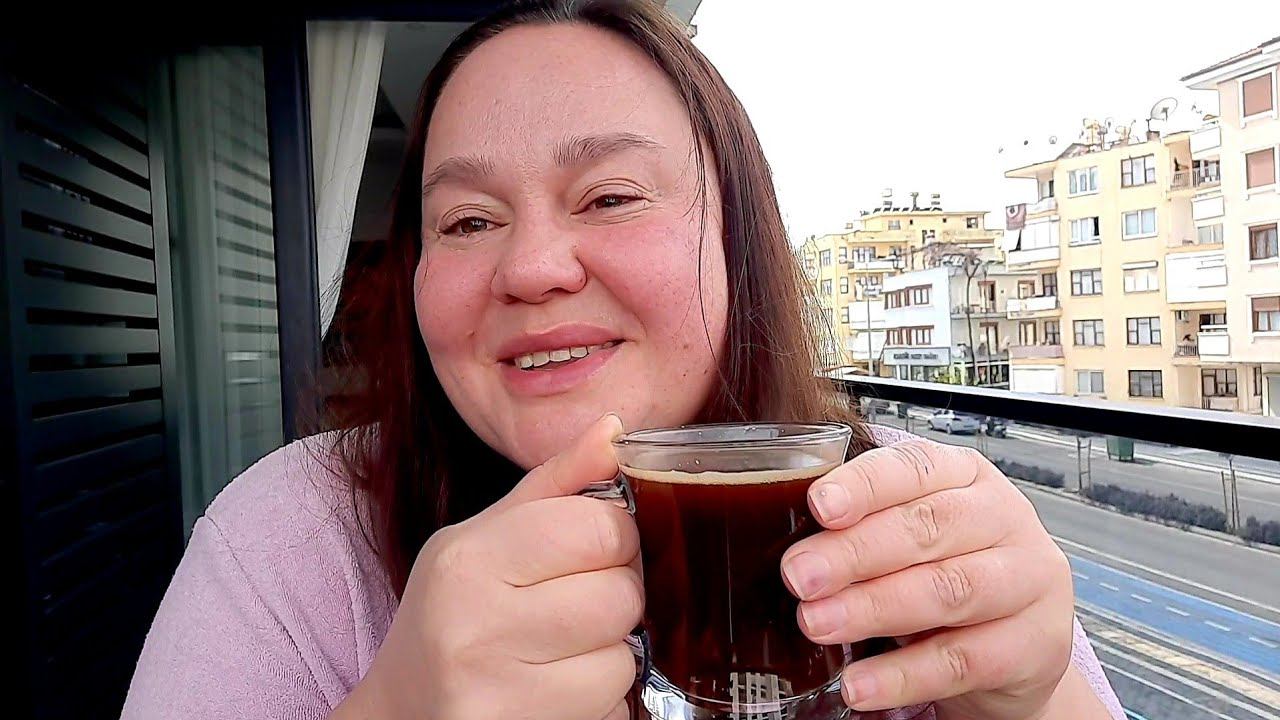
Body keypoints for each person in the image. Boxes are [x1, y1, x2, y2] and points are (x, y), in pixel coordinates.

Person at [121, 2, 1124, 719]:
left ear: (737, 237)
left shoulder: (915, 520)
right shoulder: (293, 535)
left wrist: (1036, 701)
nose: (531, 268)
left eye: (609, 197)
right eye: (466, 220)